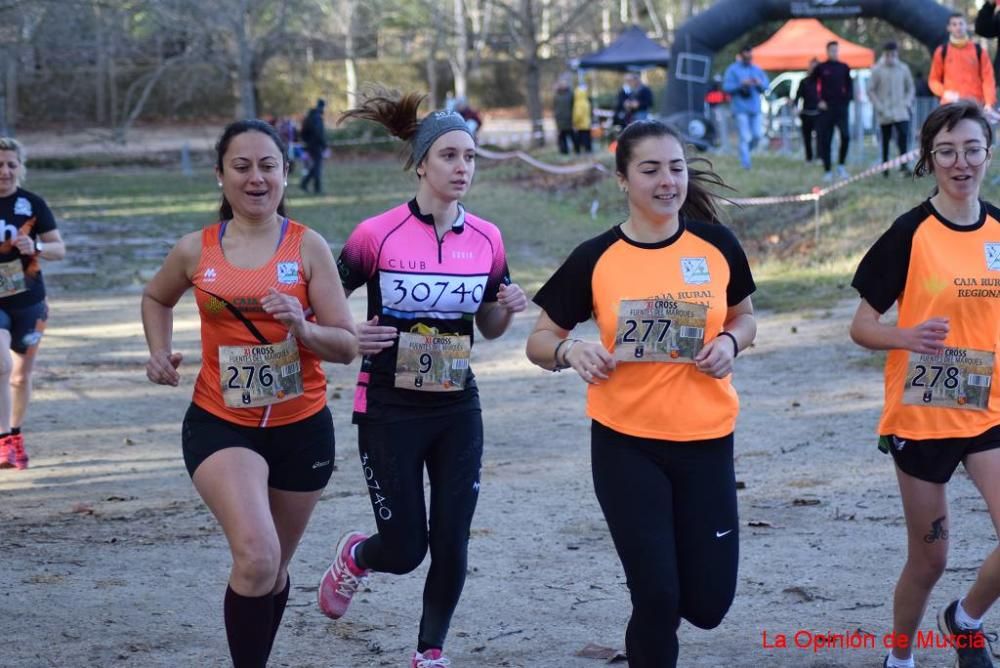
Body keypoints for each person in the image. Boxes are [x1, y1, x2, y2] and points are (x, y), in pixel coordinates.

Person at [526, 119, 757, 668]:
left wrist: (730, 341)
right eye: (650, 170)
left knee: (706, 605)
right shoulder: (596, 256)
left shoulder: (716, 244)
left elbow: (746, 318)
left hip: (706, 441)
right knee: (656, 596)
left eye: (675, 168)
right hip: (626, 444)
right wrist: (570, 352)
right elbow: (539, 340)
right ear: (623, 179)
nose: (666, 181)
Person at [316, 88, 527, 668]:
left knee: (452, 538)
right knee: (407, 548)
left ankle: (429, 653)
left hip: (457, 403)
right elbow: (323, 307)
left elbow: (489, 326)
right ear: (421, 163)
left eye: (471, 158)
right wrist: (351, 336)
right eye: (451, 156)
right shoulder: (375, 235)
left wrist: (507, 304)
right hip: (388, 404)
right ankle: (358, 555)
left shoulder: (486, 238)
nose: (463, 168)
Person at [141, 119, 358, 667]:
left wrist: (302, 327)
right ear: (220, 176)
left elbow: (346, 345)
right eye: (242, 166)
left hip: (302, 427)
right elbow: (155, 298)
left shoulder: (308, 247)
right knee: (257, 557)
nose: (256, 178)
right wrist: (159, 351)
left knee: (274, 568)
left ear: (286, 173)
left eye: (268, 166)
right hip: (221, 424)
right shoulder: (196, 251)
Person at [850, 100, 1000, 668]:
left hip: (988, 409)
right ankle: (900, 657)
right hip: (923, 413)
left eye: (971, 149)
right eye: (946, 151)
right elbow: (861, 326)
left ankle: (965, 620)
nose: (960, 162)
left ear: (988, 153)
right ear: (929, 158)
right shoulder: (910, 233)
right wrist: (906, 336)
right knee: (929, 560)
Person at [0, 138, 66, 471]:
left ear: (20, 167)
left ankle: (14, 434)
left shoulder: (32, 204)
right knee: (0, 364)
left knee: (20, 377)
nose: (5, 171)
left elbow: (59, 249)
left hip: (29, 301)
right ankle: (1, 440)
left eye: (11, 164)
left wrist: (35, 245)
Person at [929, 12, 997, 109]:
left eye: (961, 23)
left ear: (966, 26)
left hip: (974, 104)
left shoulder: (978, 50)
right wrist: (944, 92)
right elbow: (933, 80)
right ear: (949, 28)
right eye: (954, 24)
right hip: (950, 105)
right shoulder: (942, 51)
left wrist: (989, 102)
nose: (958, 27)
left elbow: (988, 78)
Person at [867, 41, 916, 177]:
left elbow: (910, 87)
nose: (891, 57)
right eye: (888, 54)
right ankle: (885, 167)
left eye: (893, 54)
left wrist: (907, 102)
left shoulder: (903, 68)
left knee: (903, 139)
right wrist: (879, 106)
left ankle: (904, 166)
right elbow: (871, 90)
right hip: (885, 112)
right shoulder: (877, 69)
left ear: (896, 53)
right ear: (884, 54)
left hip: (901, 111)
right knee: (885, 141)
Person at [722, 44, 769, 170]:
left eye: (750, 55)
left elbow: (766, 86)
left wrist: (759, 83)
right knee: (745, 136)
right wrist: (740, 84)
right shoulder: (732, 70)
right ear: (741, 55)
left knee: (757, 135)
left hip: (755, 108)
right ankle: (746, 164)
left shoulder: (757, 70)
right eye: (746, 55)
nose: (749, 57)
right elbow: (726, 88)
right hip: (740, 108)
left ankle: (744, 152)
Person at [815, 40, 854, 181]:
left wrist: (847, 100)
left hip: (841, 108)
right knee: (826, 139)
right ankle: (827, 170)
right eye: (832, 50)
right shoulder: (821, 67)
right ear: (827, 51)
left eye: (836, 50)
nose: (834, 53)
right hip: (826, 109)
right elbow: (811, 84)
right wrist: (819, 101)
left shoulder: (844, 67)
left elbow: (850, 86)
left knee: (846, 136)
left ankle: (841, 166)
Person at [796, 58, 822, 164]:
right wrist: (795, 107)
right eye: (812, 66)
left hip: (819, 113)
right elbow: (798, 96)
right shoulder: (804, 82)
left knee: (820, 136)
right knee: (807, 137)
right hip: (806, 113)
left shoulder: (822, 82)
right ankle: (809, 158)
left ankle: (820, 157)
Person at [299, 99, 327, 195]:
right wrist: (324, 144)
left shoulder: (310, 116)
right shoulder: (317, 118)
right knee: (317, 167)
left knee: (316, 166)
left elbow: (303, 133)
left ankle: (307, 184)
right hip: (316, 145)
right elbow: (318, 133)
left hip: (310, 145)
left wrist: (307, 142)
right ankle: (315, 187)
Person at [554, 76, 576, 155]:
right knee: (562, 137)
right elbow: (555, 107)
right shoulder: (556, 95)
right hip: (560, 120)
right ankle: (564, 152)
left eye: (564, 84)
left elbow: (574, 106)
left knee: (573, 136)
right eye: (561, 84)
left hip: (570, 119)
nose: (563, 85)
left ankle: (577, 150)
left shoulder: (571, 94)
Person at [572, 82, 594, 154]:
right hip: (587, 123)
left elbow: (578, 115)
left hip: (580, 125)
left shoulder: (578, 103)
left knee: (581, 138)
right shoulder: (586, 101)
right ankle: (588, 150)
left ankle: (580, 152)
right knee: (587, 138)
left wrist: (575, 122)